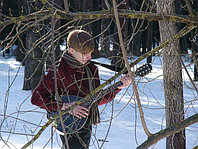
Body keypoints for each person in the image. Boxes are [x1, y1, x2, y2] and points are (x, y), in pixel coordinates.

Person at [31, 30, 132, 149]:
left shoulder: (91, 69)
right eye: (84, 54)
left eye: (90, 53)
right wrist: (65, 106)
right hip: (66, 122)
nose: (89, 57)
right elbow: (37, 98)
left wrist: (119, 87)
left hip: (85, 121)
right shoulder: (58, 70)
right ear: (71, 50)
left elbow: (96, 99)